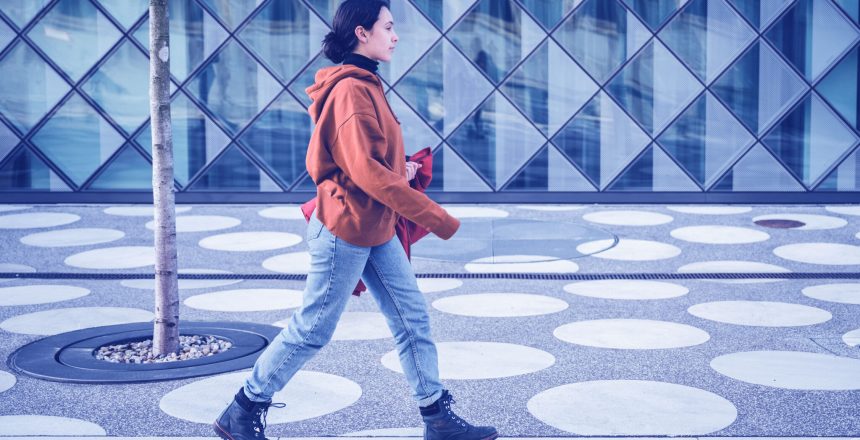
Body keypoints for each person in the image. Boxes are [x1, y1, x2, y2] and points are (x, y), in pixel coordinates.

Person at [212, 2, 499, 440]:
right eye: (388, 27)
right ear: (362, 33)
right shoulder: (351, 90)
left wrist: (398, 169)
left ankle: (437, 417)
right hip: (344, 227)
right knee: (313, 329)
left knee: (411, 318)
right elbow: (363, 170)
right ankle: (243, 408)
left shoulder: (366, 83)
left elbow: (363, 159)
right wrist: (436, 217)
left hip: (374, 225)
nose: (395, 35)